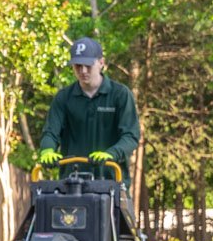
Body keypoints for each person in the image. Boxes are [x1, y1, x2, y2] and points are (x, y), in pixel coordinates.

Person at [36, 37, 140, 176]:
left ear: (101, 63)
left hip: (111, 181)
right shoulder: (64, 98)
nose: (83, 70)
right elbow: (51, 132)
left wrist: (111, 154)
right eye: (78, 65)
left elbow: (131, 136)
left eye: (88, 65)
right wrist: (47, 149)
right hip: (72, 182)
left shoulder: (120, 95)